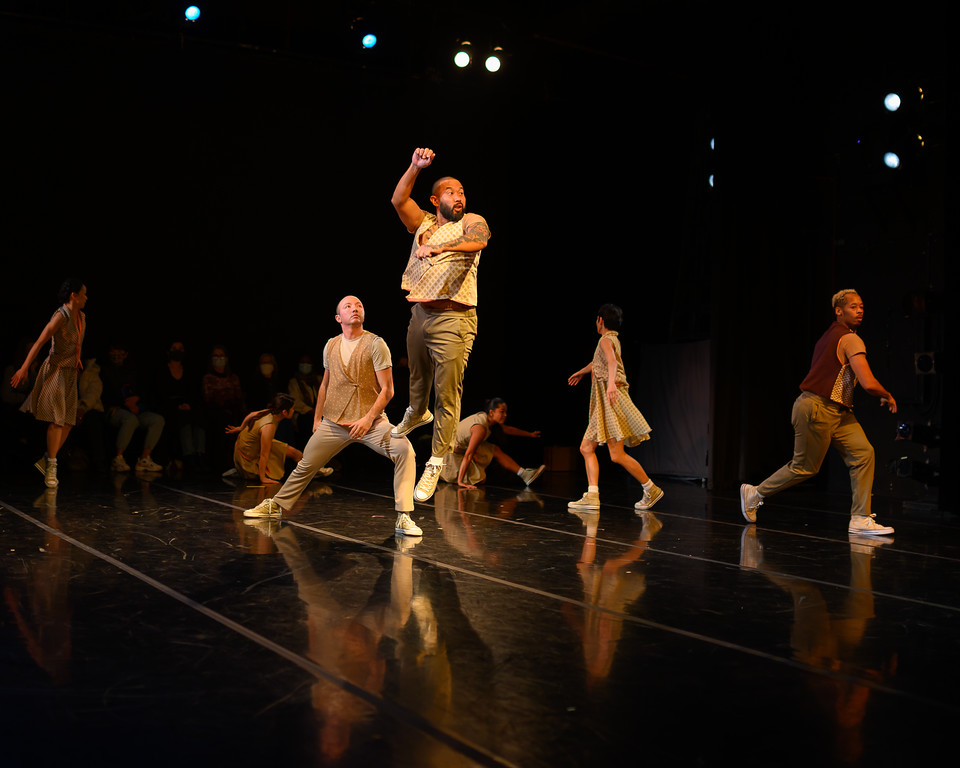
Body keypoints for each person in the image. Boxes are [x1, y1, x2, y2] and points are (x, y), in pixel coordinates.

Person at [244, 295, 422, 537]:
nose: (355, 308)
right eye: (348, 306)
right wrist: (318, 419)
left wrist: (368, 419)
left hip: (370, 421)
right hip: (334, 421)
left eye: (359, 305)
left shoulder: (375, 344)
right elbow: (326, 384)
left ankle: (404, 516)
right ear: (339, 318)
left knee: (405, 450)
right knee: (306, 463)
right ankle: (275, 506)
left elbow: (388, 390)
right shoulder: (331, 345)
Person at [740, 289, 897, 535]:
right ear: (839, 311)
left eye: (862, 307)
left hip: (839, 412)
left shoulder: (828, 337)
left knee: (864, 454)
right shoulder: (849, 339)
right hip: (817, 408)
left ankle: (860, 518)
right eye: (853, 307)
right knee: (805, 467)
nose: (860, 310)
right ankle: (755, 492)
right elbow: (867, 382)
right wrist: (886, 394)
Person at [389, 146, 491, 503]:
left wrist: (438, 249)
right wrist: (414, 166)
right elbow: (399, 199)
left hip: (454, 316)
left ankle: (434, 463)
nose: (459, 196)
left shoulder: (471, 222)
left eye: (462, 191)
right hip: (420, 313)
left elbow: (480, 239)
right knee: (418, 379)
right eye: (452, 191)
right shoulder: (424, 223)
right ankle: (416, 413)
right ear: (435, 199)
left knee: (447, 394)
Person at [567, 304, 664, 511]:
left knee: (615, 454)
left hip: (609, 400)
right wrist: (582, 372)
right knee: (588, 448)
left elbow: (611, 362)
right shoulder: (612, 339)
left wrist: (611, 383)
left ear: (600, 320)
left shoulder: (605, 340)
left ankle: (650, 488)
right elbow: (598, 363)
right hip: (605, 403)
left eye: (596, 319)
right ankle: (593, 495)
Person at [10, 279, 88, 488]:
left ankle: (46, 459)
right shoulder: (60, 316)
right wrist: (24, 368)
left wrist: (77, 358)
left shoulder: (81, 317)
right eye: (84, 294)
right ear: (74, 295)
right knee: (58, 419)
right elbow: (40, 342)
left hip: (71, 372)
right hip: (55, 371)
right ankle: (51, 467)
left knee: (69, 421)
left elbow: (76, 342)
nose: (86, 298)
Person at [440, 397, 546, 489]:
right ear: (491, 412)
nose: (505, 415)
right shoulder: (480, 429)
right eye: (502, 411)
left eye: (505, 412)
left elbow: (508, 429)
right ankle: (457, 477)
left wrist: (530, 434)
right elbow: (468, 455)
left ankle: (524, 474)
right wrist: (460, 481)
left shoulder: (486, 419)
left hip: (460, 451)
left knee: (494, 449)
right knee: (481, 479)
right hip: (450, 458)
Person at [100, 341, 165, 472]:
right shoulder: (102, 371)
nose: (117, 355)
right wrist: (125, 404)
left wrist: (137, 402)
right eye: (114, 352)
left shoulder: (132, 371)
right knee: (130, 420)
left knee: (157, 420)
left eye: (120, 352)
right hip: (114, 410)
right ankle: (118, 458)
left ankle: (144, 459)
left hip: (135, 409)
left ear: (126, 355)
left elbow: (142, 391)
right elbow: (105, 394)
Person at [227, 393, 303, 484]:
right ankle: (241, 472)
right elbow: (264, 454)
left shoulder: (269, 411)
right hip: (247, 458)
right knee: (294, 455)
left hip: (250, 446)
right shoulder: (269, 426)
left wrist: (240, 427)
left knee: (297, 454)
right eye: (292, 409)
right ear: (284, 412)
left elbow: (251, 414)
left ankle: (313, 472)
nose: (293, 411)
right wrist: (263, 478)